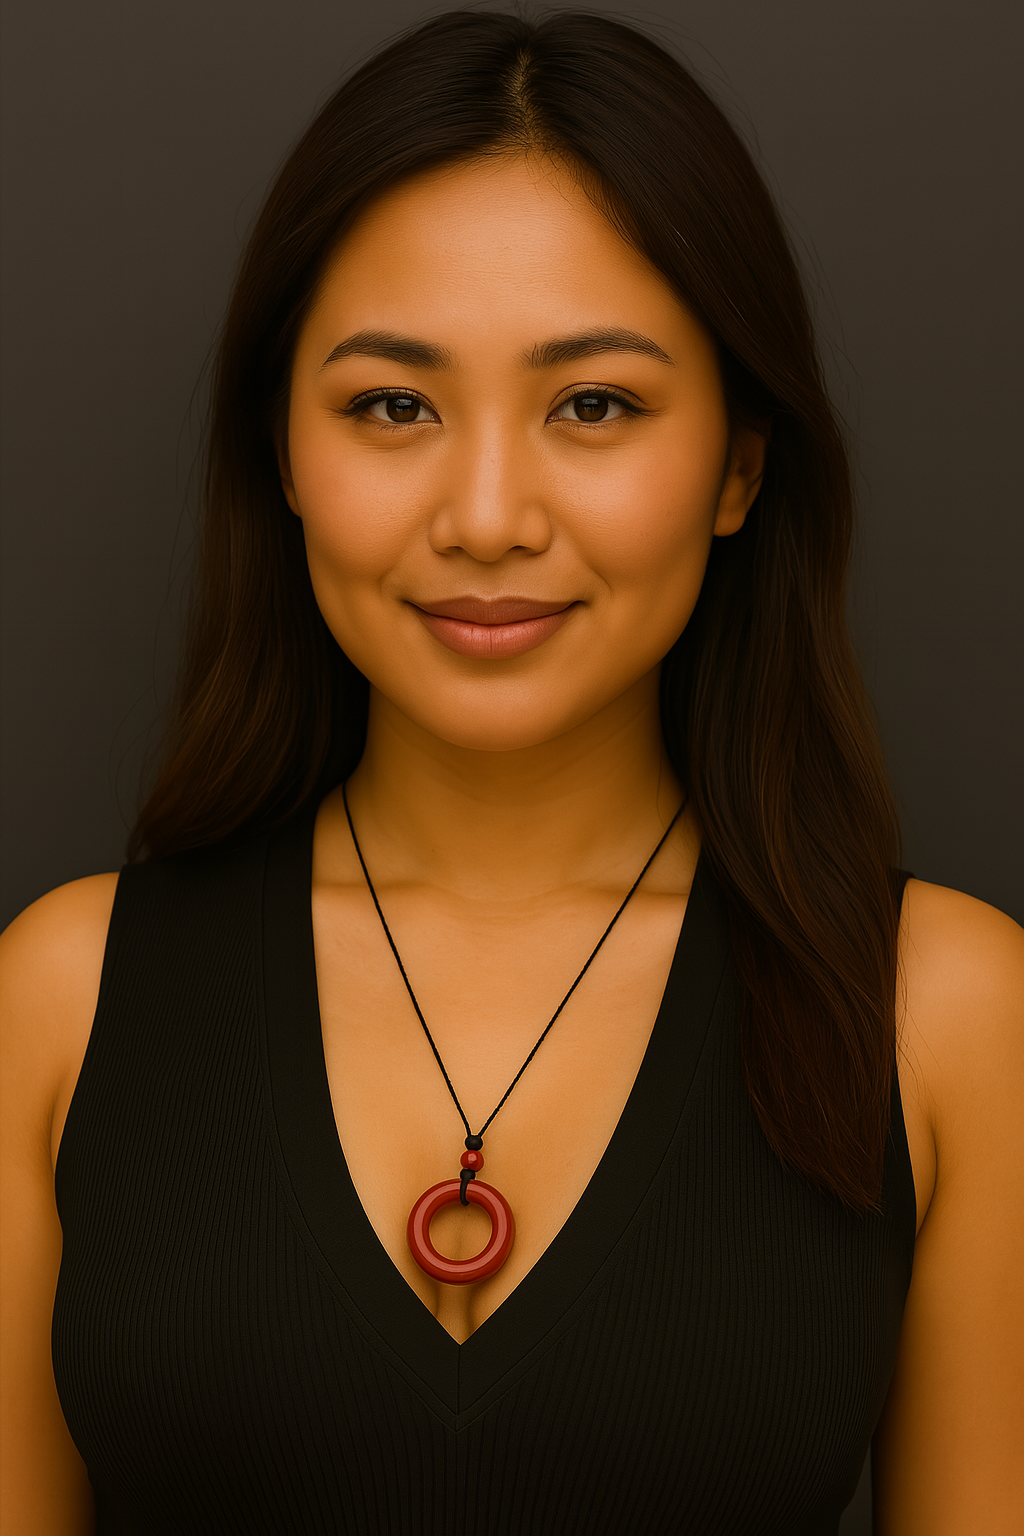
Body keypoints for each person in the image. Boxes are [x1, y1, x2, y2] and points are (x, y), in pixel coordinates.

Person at [1, 10, 1021, 1534]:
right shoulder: (62, 996)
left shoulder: (944, 1010)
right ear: (284, 452)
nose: (486, 514)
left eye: (594, 404)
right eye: (391, 406)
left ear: (742, 462)